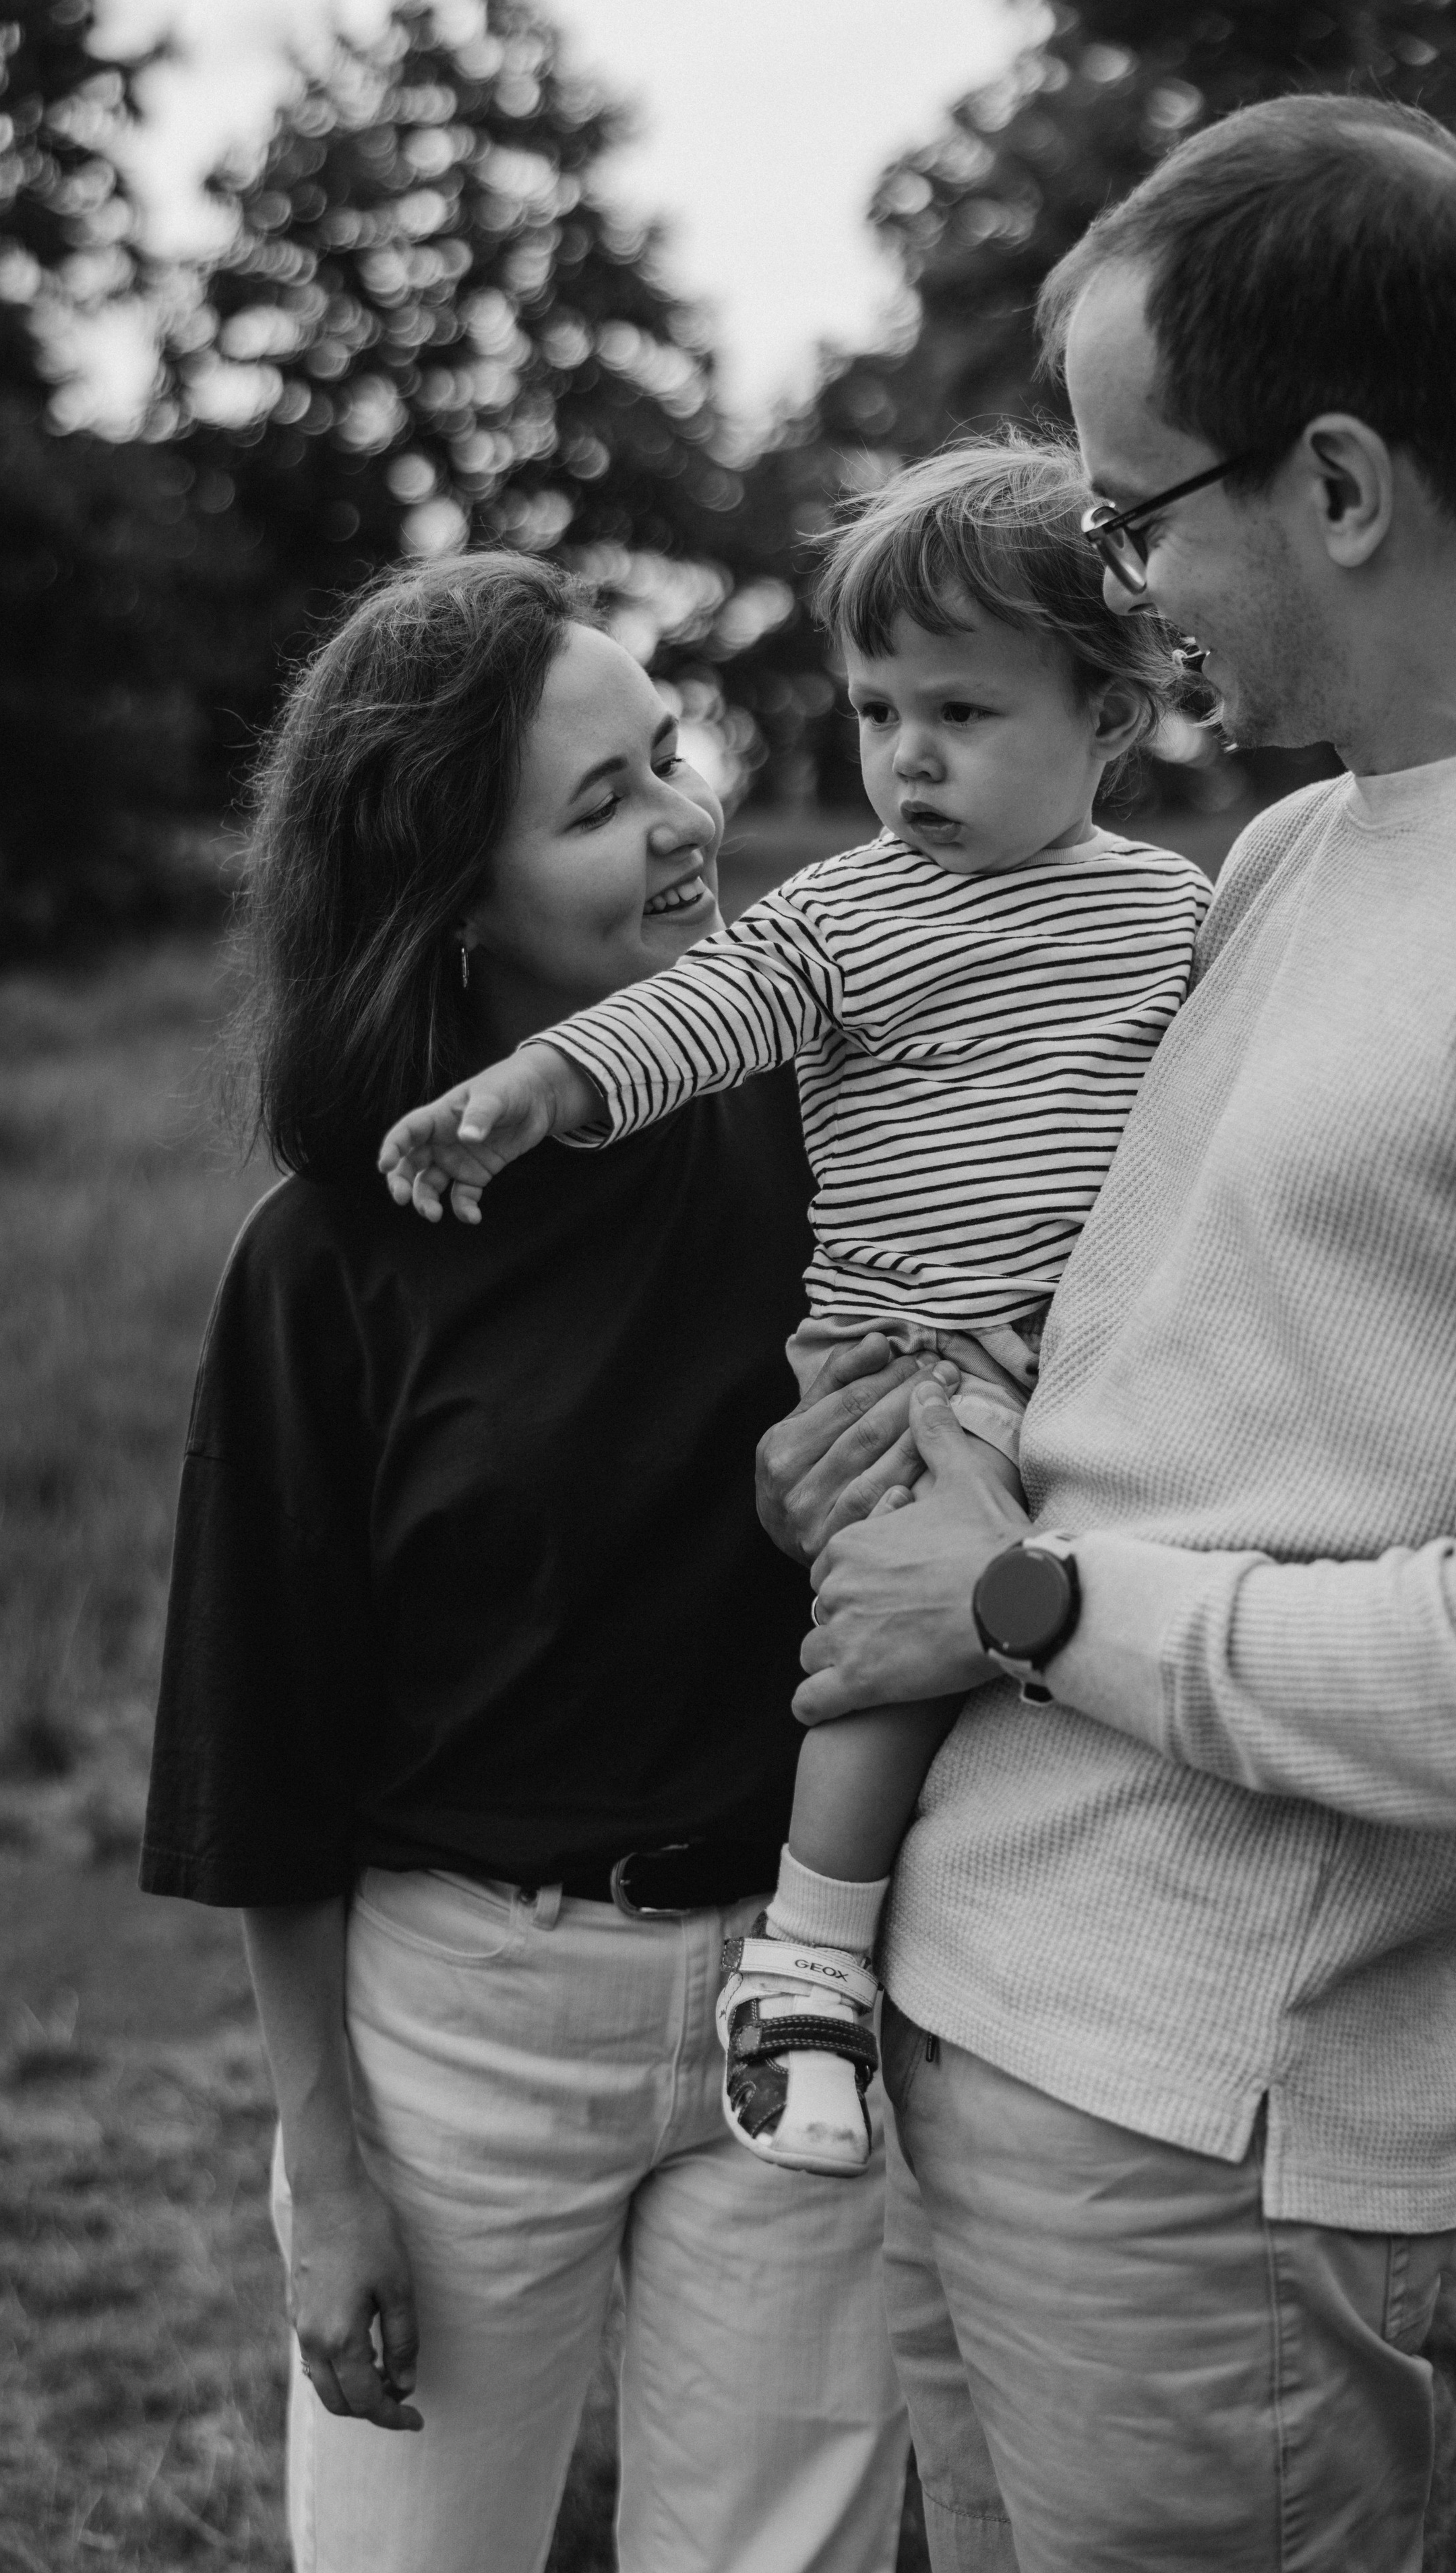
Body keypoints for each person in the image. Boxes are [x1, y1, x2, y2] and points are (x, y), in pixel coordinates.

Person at [758, 94, 1456, 2573]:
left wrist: (1022, 1606)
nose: (1116, 575)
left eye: (1129, 509)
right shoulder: (1289, 848)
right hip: (967, 2017)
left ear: (1335, 482)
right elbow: (1161, 1378)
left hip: (1200, 2138)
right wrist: (901, 1467)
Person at [140, 552, 909, 2573]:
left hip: (801, 1993)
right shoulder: (329, 1264)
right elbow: (260, 1741)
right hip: (465, 2028)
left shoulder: (829, 1142)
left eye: (669, 755)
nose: (684, 820)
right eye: (600, 802)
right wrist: (330, 2162)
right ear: (449, 900)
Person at [378, 439, 1205, 2177]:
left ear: (1113, 723)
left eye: (962, 714)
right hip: (910, 1359)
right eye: (878, 709)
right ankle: (808, 1966)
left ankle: (970, 1981)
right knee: (908, 1641)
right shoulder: (846, 915)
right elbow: (702, 1018)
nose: (908, 756)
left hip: (1100, 1360)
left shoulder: (1174, 917)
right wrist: (541, 1086)